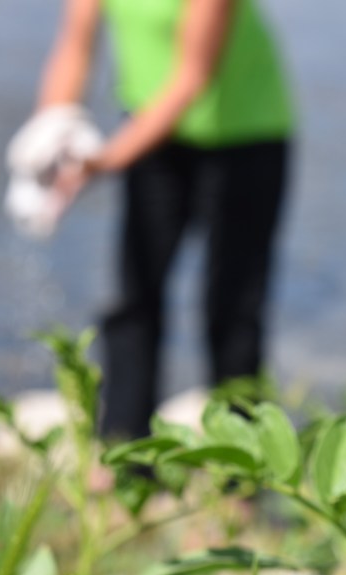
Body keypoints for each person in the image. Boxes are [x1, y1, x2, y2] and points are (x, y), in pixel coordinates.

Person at [31, 0, 295, 439]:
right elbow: (75, 47)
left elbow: (193, 76)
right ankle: (124, 457)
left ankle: (243, 477)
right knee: (133, 295)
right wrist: (51, 134)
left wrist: (103, 161)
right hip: (150, 130)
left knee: (233, 309)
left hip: (245, 136)